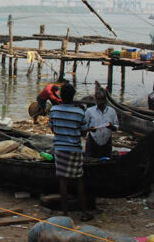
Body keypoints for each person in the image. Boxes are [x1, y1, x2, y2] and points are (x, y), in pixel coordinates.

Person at [48, 83, 93, 222]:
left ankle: (65, 213)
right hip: (74, 149)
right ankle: (84, 212)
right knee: (79, 180)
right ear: (73, 96)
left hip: (60, 148)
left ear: (61, 96)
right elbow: (84, 132)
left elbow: (53, 129)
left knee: (63, 181)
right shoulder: (79, 112)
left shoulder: (54, 110)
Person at [84, 88, 118, 158]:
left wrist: (111, 127)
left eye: (102, 99)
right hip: (93, 141)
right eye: (98, 99)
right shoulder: (89, 111)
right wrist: (90, 129)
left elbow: (116, 127)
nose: (100, 101)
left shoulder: (112, 111)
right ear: (95, 99)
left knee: (106, 162)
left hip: (107, 142)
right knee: (90, 162)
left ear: (106, 100)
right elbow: (83, 128)